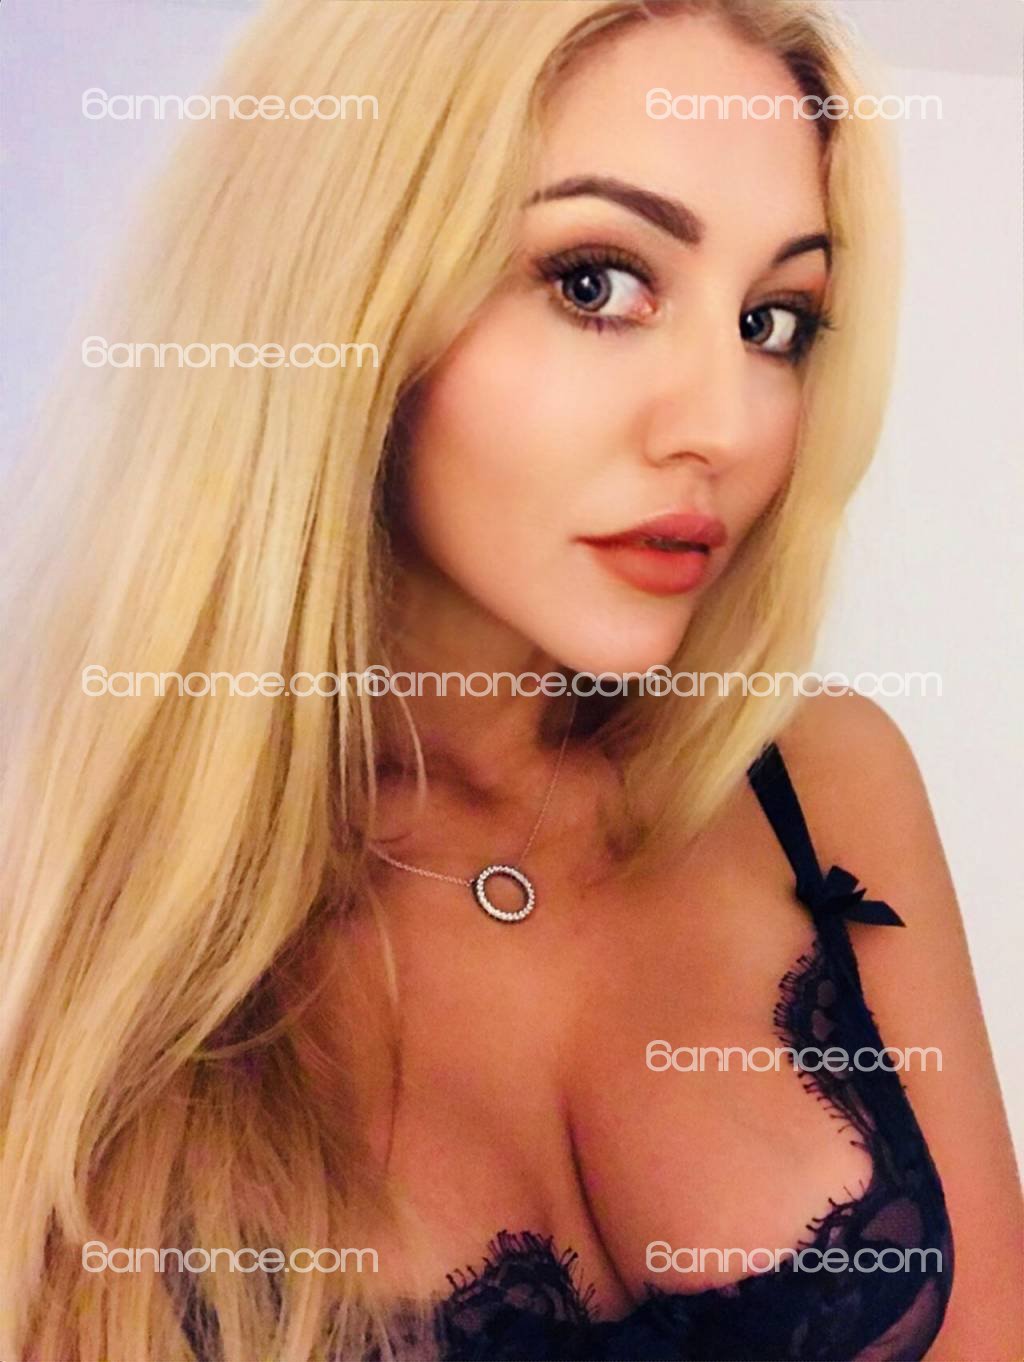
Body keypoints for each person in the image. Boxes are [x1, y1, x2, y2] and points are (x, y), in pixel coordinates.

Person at [1, 1, 1020, 1359]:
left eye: (775, 321)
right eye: (597, 284)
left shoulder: (826, 782)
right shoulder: (55, 909)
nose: (722, 425)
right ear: (341, 290)